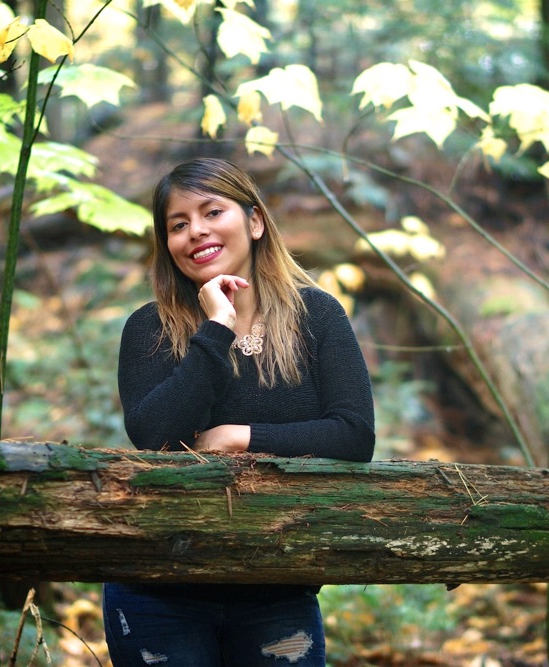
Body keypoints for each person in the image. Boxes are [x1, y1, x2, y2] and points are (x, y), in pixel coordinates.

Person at [103, 157, 376, 666]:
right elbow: (154, 437)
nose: (195, 232)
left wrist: (240, 436)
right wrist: (216, 331)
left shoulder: (317, 316)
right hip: (161, 588)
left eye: (212, 212)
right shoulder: (149, 329)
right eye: (178, 225)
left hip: (277, 587)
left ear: (254, 222)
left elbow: (354, 436)